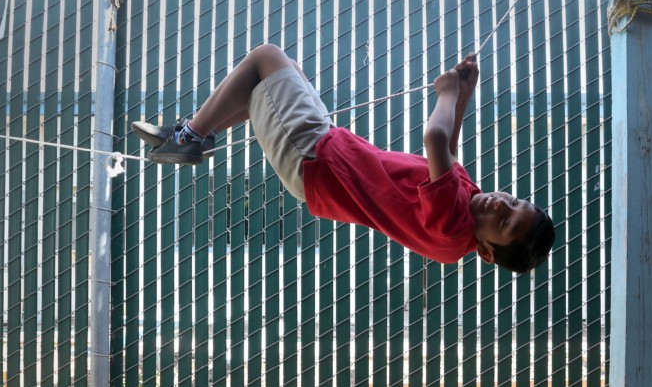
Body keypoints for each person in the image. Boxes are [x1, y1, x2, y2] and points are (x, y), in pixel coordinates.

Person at [133, 43, 554, 273]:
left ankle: (189, 137)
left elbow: (435, 138)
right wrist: (462, 97)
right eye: (513, 202)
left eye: (504, 222)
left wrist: (445, 93)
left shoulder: (454, 226)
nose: (500, 204)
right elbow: (448, 158)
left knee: (266, 59)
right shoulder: (463, 214)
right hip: (324, 156)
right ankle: (192, 137)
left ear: (486, 250)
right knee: (273, 79)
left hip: (315, 160)